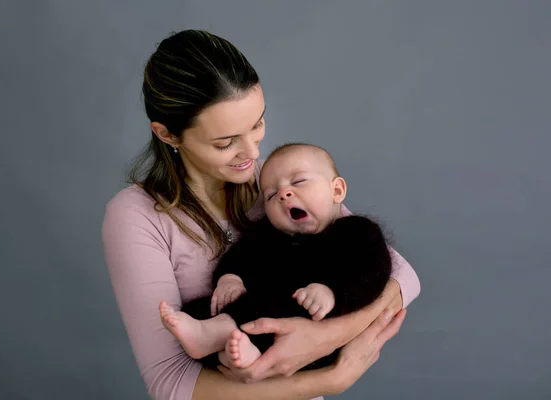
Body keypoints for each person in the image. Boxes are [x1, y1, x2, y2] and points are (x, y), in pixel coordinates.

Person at [102, 29, 420, 400]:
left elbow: (402, 277)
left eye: (257, 125)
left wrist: (322, 338)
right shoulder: (136, 216)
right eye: (225, 143)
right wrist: (331, 380)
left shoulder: (277, 179)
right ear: (168, 135)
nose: (251, 153)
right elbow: (171, 383)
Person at [159, 142, 394, 372]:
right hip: (255, 318)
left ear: (337, 190)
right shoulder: (268, 234)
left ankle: (215, 337)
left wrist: (333, 293)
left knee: (276, 298)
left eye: (299, 181)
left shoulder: (357, 232)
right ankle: (235, 355)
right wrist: (230, 279)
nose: (283, 194)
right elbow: (240, 256)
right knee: (202, 308)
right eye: (271, 196)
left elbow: (372, 273)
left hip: (310, 331)